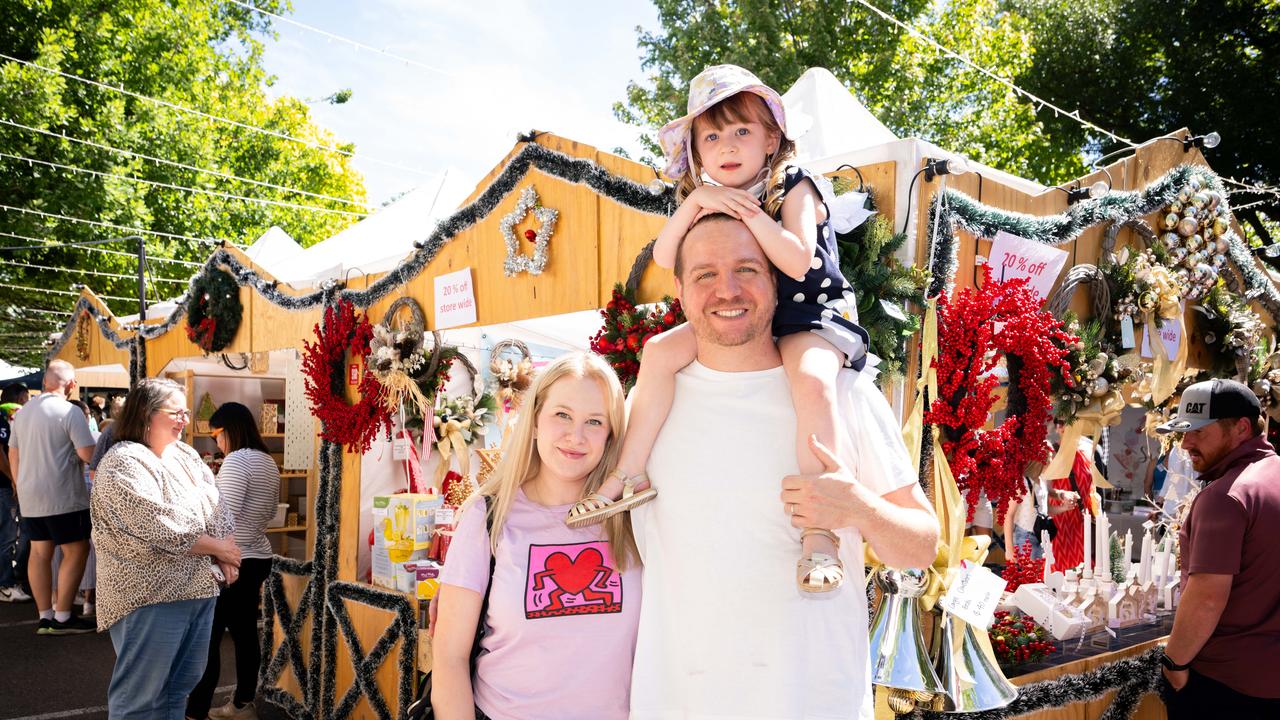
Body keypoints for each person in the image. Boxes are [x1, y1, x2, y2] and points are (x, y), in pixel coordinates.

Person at [569, 64, 872, 595]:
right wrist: (693, 204)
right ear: (697, 151)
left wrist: (755, 217)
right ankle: (629, 473)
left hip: (808, 311)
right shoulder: (707, 197)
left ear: (770, 138)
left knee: (813, 383)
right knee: (660, 351)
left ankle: (820, 530)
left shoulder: (795, 186)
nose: (727, 146)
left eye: (741, 131)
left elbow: (799, 261)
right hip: (751, 315)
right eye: (712, 136)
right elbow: (666, 255)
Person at [629, 213, 938, 719]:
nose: (726, 289)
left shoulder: (843, 393)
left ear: (776, 280)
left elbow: (922, 545)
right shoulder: (647, 406)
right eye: (705, 274)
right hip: (677, 701)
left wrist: (859, 509)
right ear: (680, 290)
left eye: (747, 269)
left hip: (813, 702)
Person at [433, 353, 640, 720]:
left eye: (594, 421)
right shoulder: (488, 516)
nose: (575, 436)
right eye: (562, 415)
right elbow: (449, 657)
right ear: (534, 423)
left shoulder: (633, 519)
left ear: (610, 436)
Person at [91, 378, 240, 718]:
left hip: (197, 589)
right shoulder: (123, 461)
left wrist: (224, 548)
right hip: (149, 594)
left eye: (185, 412)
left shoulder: (185, 453)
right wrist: (220, 549)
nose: (184, 420)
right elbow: (157, 523)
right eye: (176, 412)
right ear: (145, 413)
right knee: (140, 698)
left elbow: (216, 503)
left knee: (179, 688)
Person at [1155, 379, 1280, 716]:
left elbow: (1208, 597)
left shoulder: (1226, 496)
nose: (1186, 443)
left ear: (1241, 428)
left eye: (1198, 431)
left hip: (1227, 685)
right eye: (1183, 432)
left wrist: (1174, 664)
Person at [188, 402, 282, 720]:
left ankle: (195, 711)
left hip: (231, 559)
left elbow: (220, 515)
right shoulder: (267, 460)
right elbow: (269, 512)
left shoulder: (237, 460)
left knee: (209, 637)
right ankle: (243, 703)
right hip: (257, 554)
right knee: (243, 634)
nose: (216, 442)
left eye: (216, 435)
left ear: (228, 430)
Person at [8, 360, 97, 633]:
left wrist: (19, 485)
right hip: (63, 494)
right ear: (71, 384)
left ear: (45, 382)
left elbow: (14, 454)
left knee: (39, 551)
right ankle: (62, 616)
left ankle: (45, 615)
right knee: (77, 549)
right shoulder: (69, 412)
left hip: (30, 493)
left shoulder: (22, 413)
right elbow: (88, 454)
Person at [0, 383, 32, 602]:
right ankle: (6, 584)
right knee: (8, 536)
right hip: (4, 486)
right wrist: (14, 479)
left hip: (10, 485)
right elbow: (1, 454)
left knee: (16, 536)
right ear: (20, 398)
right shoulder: (3, 419)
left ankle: (12, 580)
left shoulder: (12, 419)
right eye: (27, 397)